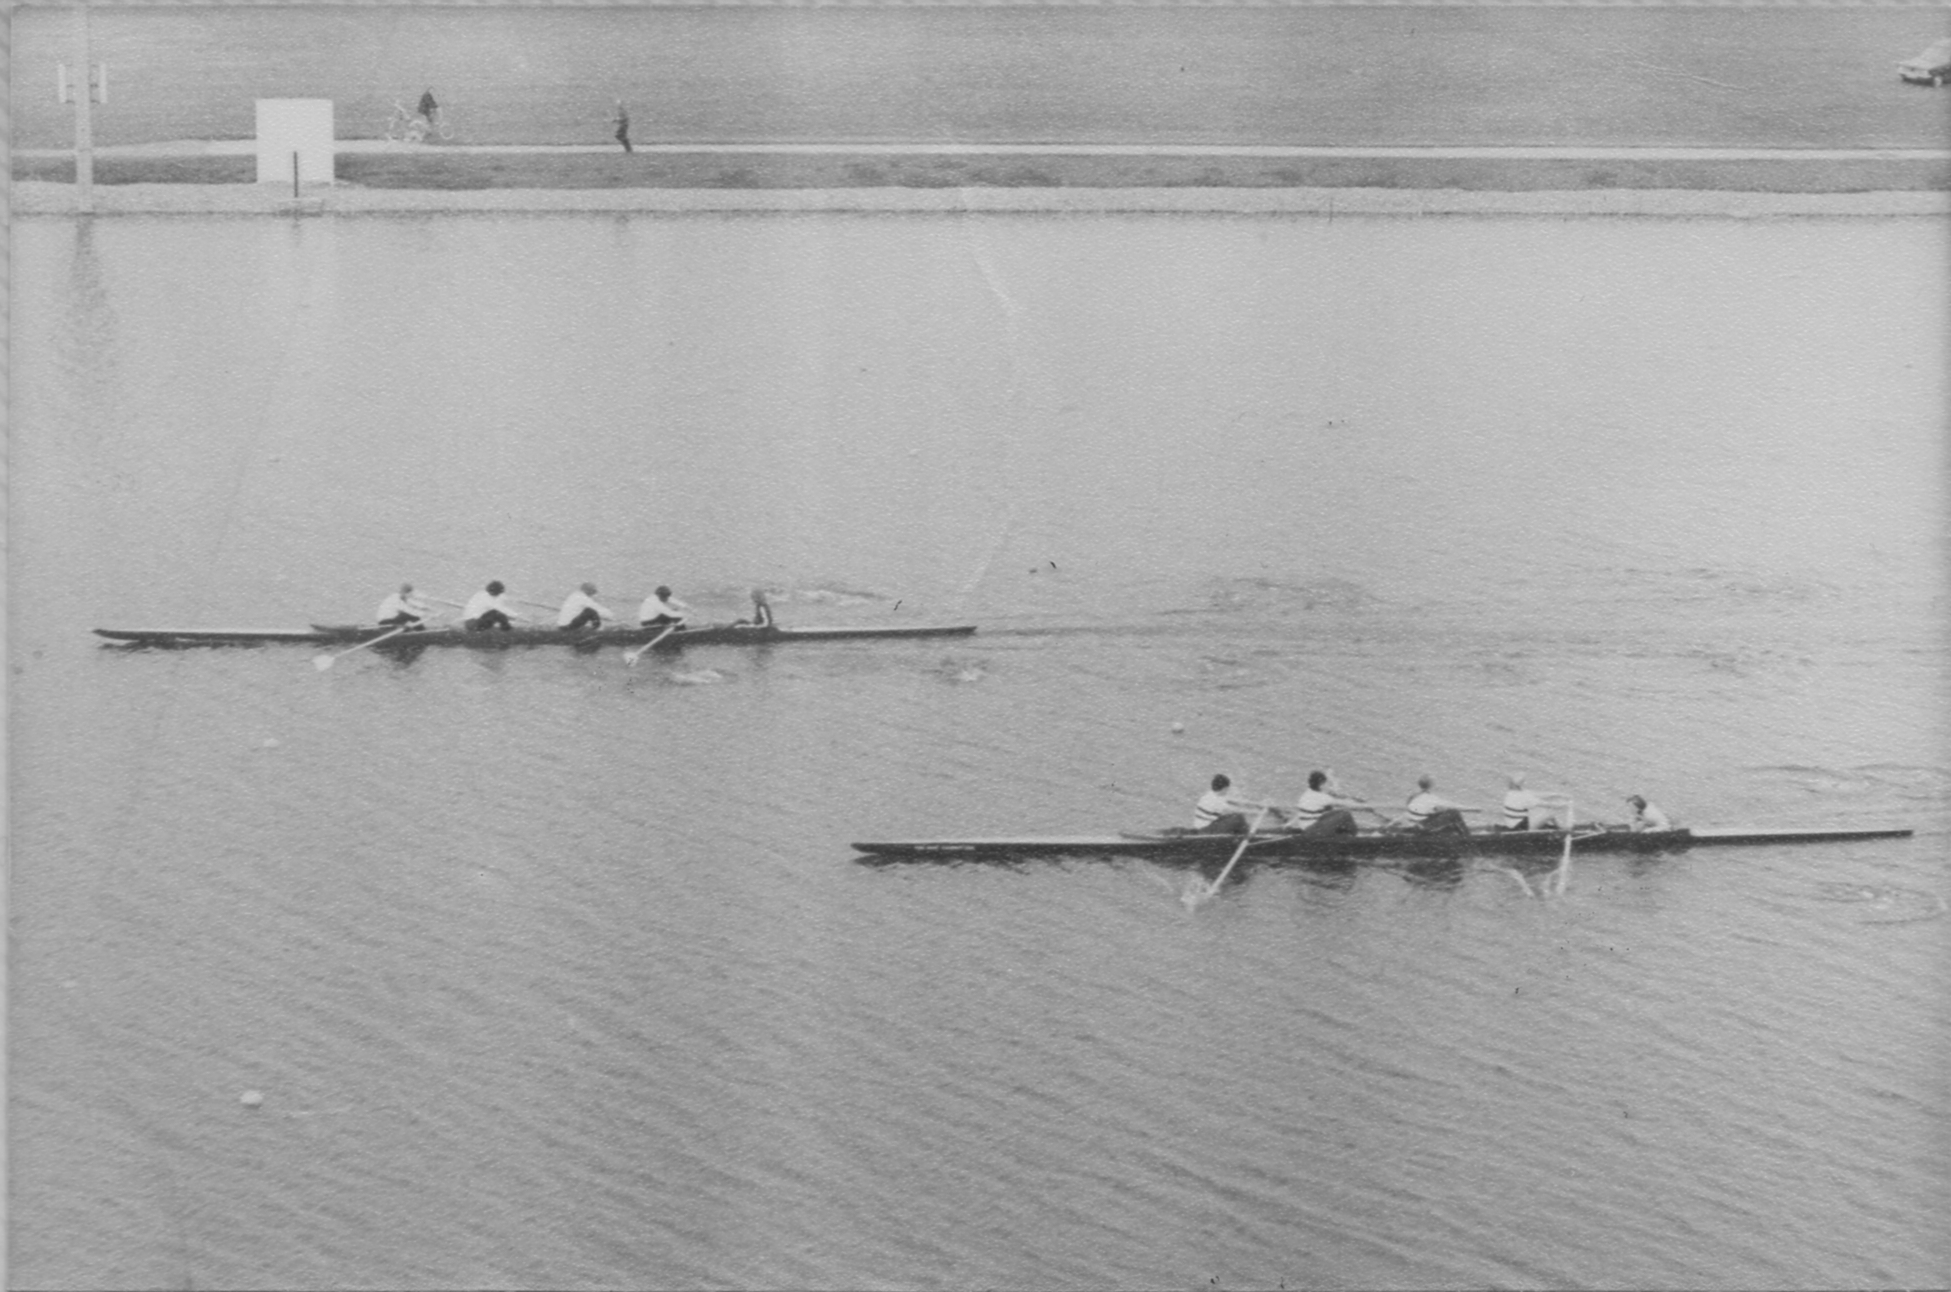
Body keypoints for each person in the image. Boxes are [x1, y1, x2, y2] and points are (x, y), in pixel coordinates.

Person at [1289, 770, 1366, 836]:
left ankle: (1344, 833)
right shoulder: (1323, 797)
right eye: (1326, 784)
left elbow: (1300, 812)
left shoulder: (1307, 793)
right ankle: (1354, 836)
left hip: (1307, 827)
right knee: (1345, 814)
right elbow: (1347, 804)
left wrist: (1288, 824)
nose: (1328, 786)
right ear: (1321, 784)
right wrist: (1366, 806)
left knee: (1336, 811)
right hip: (1313, 831)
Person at [1396, 776, 1476, 835]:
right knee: (1454, 812)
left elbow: (1411, 810)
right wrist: (1473, 809)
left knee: (1439, 812)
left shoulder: (1413, 796)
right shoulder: (1431, 798)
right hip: (1423, 826)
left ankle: (1452, 830)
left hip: (1413, 823)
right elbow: (1453, 806)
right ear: (1431, 785)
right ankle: (1467, 836)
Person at [1193, 774, 1267, 835]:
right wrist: (1259, 812)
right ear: (1225, 788)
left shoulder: (1210, 794)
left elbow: (1235, 802)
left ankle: (1243, 835)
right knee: (1239, 818)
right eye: (1228, 789)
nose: (1228, 791)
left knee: (1232, 817)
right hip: (1206, 831)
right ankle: (1249, 837)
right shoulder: (1216, 801)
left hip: (1203, 827)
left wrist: (1258, 805)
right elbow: (1238, 810)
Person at [1496, 772, 1569, 832]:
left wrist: (1558, 794)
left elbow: (1538, 794)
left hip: (1511, 825)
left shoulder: (1511, 792)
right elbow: (1546, 804)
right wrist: (1563, 805)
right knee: (1550, 813)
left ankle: (1554, 829)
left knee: (1540, 811)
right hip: (1520, 828)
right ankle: (1562, 832)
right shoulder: (1523, 796)